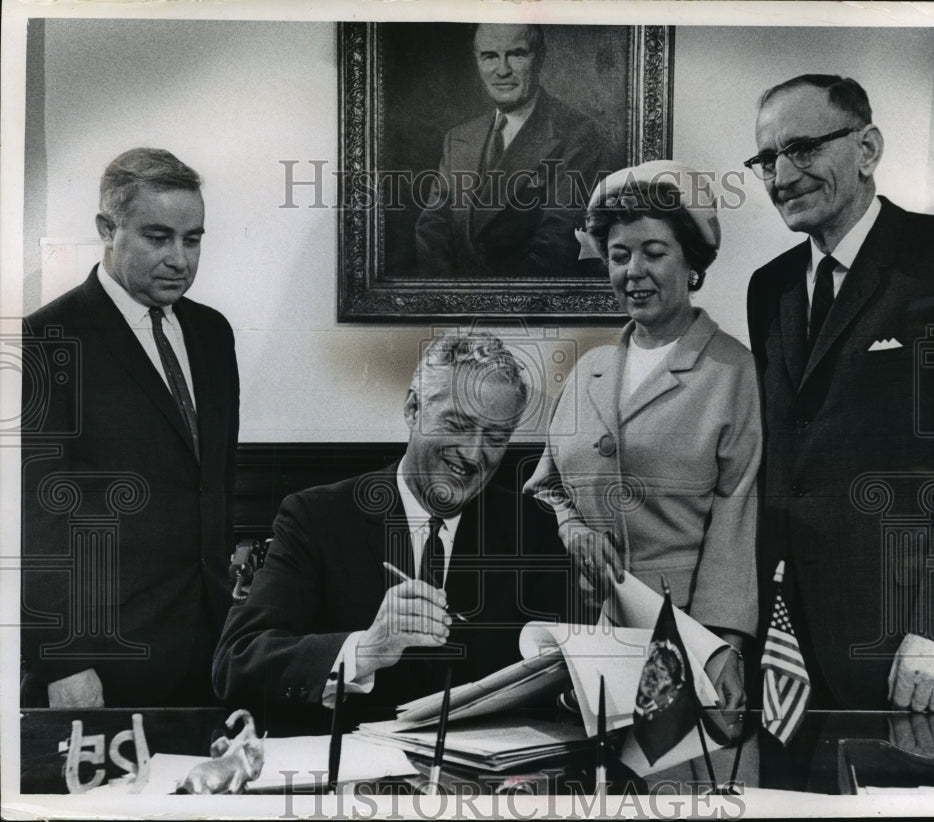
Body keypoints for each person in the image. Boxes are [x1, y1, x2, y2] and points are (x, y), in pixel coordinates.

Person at [745, 74, 934, 716]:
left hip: (910, 645)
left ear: (867, 149)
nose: (782, 176)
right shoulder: (770, 288)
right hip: (787, 642)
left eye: (803, 149)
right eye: (767, 159)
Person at [213, 331, 571, 733]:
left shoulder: (533, 529)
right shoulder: (318, 518)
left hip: (485, 785)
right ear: (413, 408)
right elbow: (238, 663)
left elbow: (566, 676)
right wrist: (366, 650)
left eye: (495, 437)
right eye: (457, 424)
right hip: (350, 783)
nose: (472, 454)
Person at [524, 160, 762, 713]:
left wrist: (723, 644)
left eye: (654, 252)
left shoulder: (733, 371)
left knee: (687, 791)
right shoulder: (590, 370)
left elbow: (738, 516)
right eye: (619, 255)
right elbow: (549, 484)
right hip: (590, 635)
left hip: (692, 634)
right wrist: (574, 530)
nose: (634, 271)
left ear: (691, 263)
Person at [20, 148, 240, 708]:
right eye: (158, 237)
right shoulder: (45, 341)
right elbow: (34, 519)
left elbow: (213, 485)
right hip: (103, 660)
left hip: (212, 647)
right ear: (106, 229)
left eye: (193, 240)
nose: (179, 259)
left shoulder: (213, 334)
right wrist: (63, 662)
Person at [414, 23, 609, 278]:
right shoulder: (459, 137)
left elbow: (557, 244)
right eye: (490, 56)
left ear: (540, 57)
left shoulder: (578, 135)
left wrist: (492, 302)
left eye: (517, 54)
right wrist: (449, 297)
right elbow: (432, 229)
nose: (502, 70)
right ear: (477, 60)